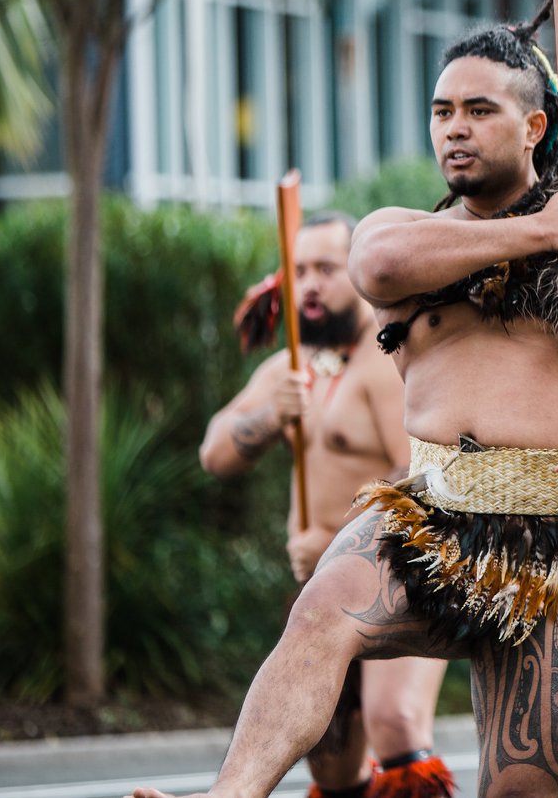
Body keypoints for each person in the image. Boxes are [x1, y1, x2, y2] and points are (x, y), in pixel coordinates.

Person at [136, 11, 558, 798]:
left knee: (519, 791)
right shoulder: (403, 235)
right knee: (320, 614)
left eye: (478, 111)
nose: (454, 129)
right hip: (426, 513)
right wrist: (536, 235)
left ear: (533, 126)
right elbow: (378, 264)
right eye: (441, 111)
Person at [207, 212, 452, 798]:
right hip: (321, 596)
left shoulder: (385, 361)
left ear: (358, 272)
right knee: (332, 766)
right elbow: (214, 452)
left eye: (325, 268)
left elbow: (423, 473)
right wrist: (272, 418)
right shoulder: (291, 371)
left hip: (400, 574)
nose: (310, 284)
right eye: (298, 271)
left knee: (395, 723)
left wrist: (339, 541)